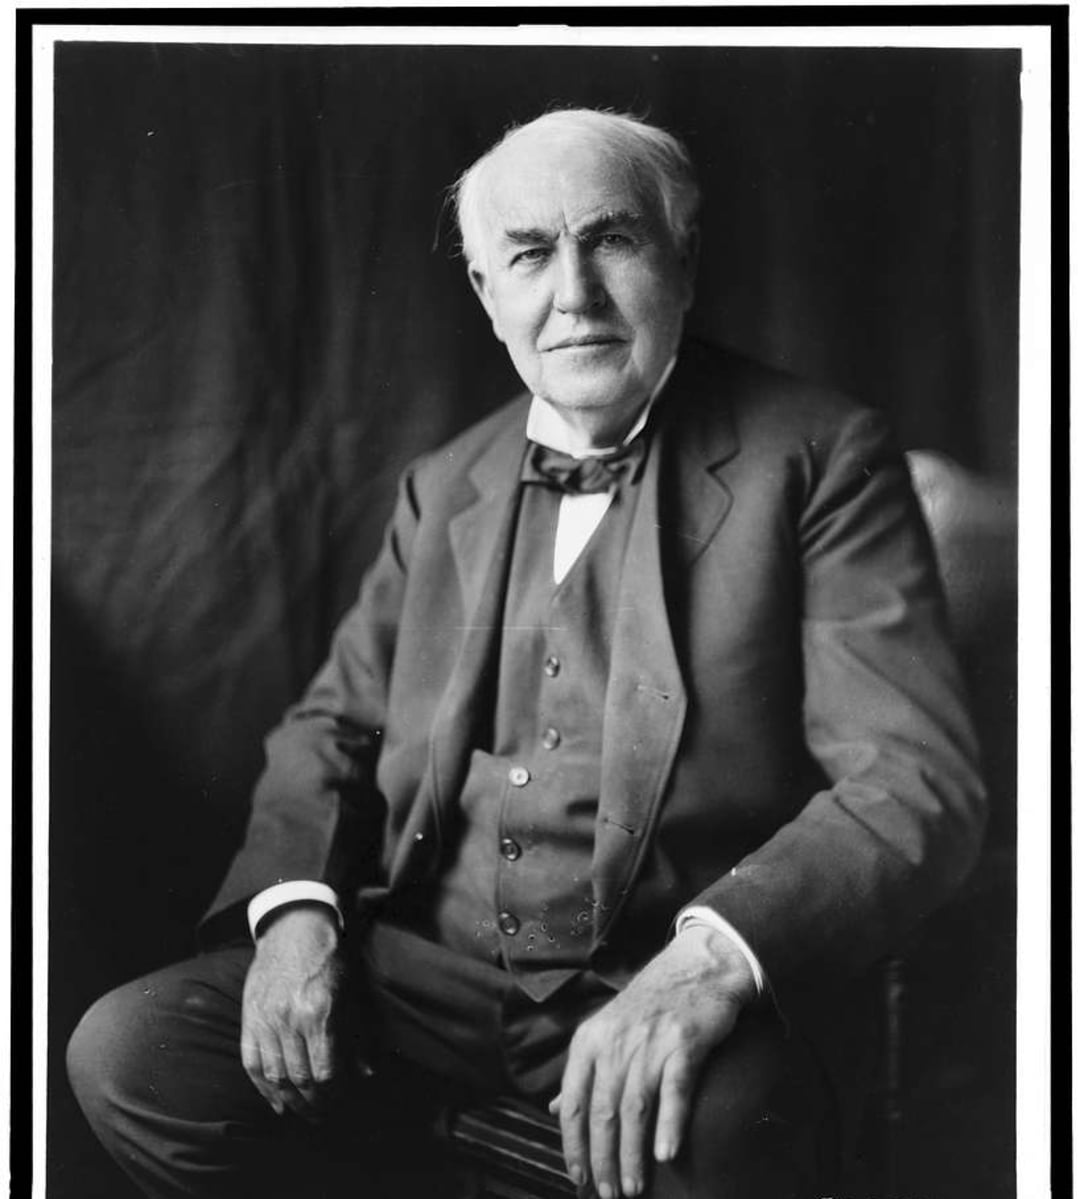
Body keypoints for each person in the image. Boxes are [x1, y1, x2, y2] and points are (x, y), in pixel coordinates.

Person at [67, 108, 985, 1199]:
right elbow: (332, 724)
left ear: (681, 255)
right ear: (487, 294)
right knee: (130, 1054)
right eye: (530, 256)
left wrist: (707, 962)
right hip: (418, 983)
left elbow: (913, 781)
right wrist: (297, 915)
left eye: (611, 239)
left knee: (739, 1132)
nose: (575, 295)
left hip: (653, 972)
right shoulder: (444, 480)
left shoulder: (819, 457)